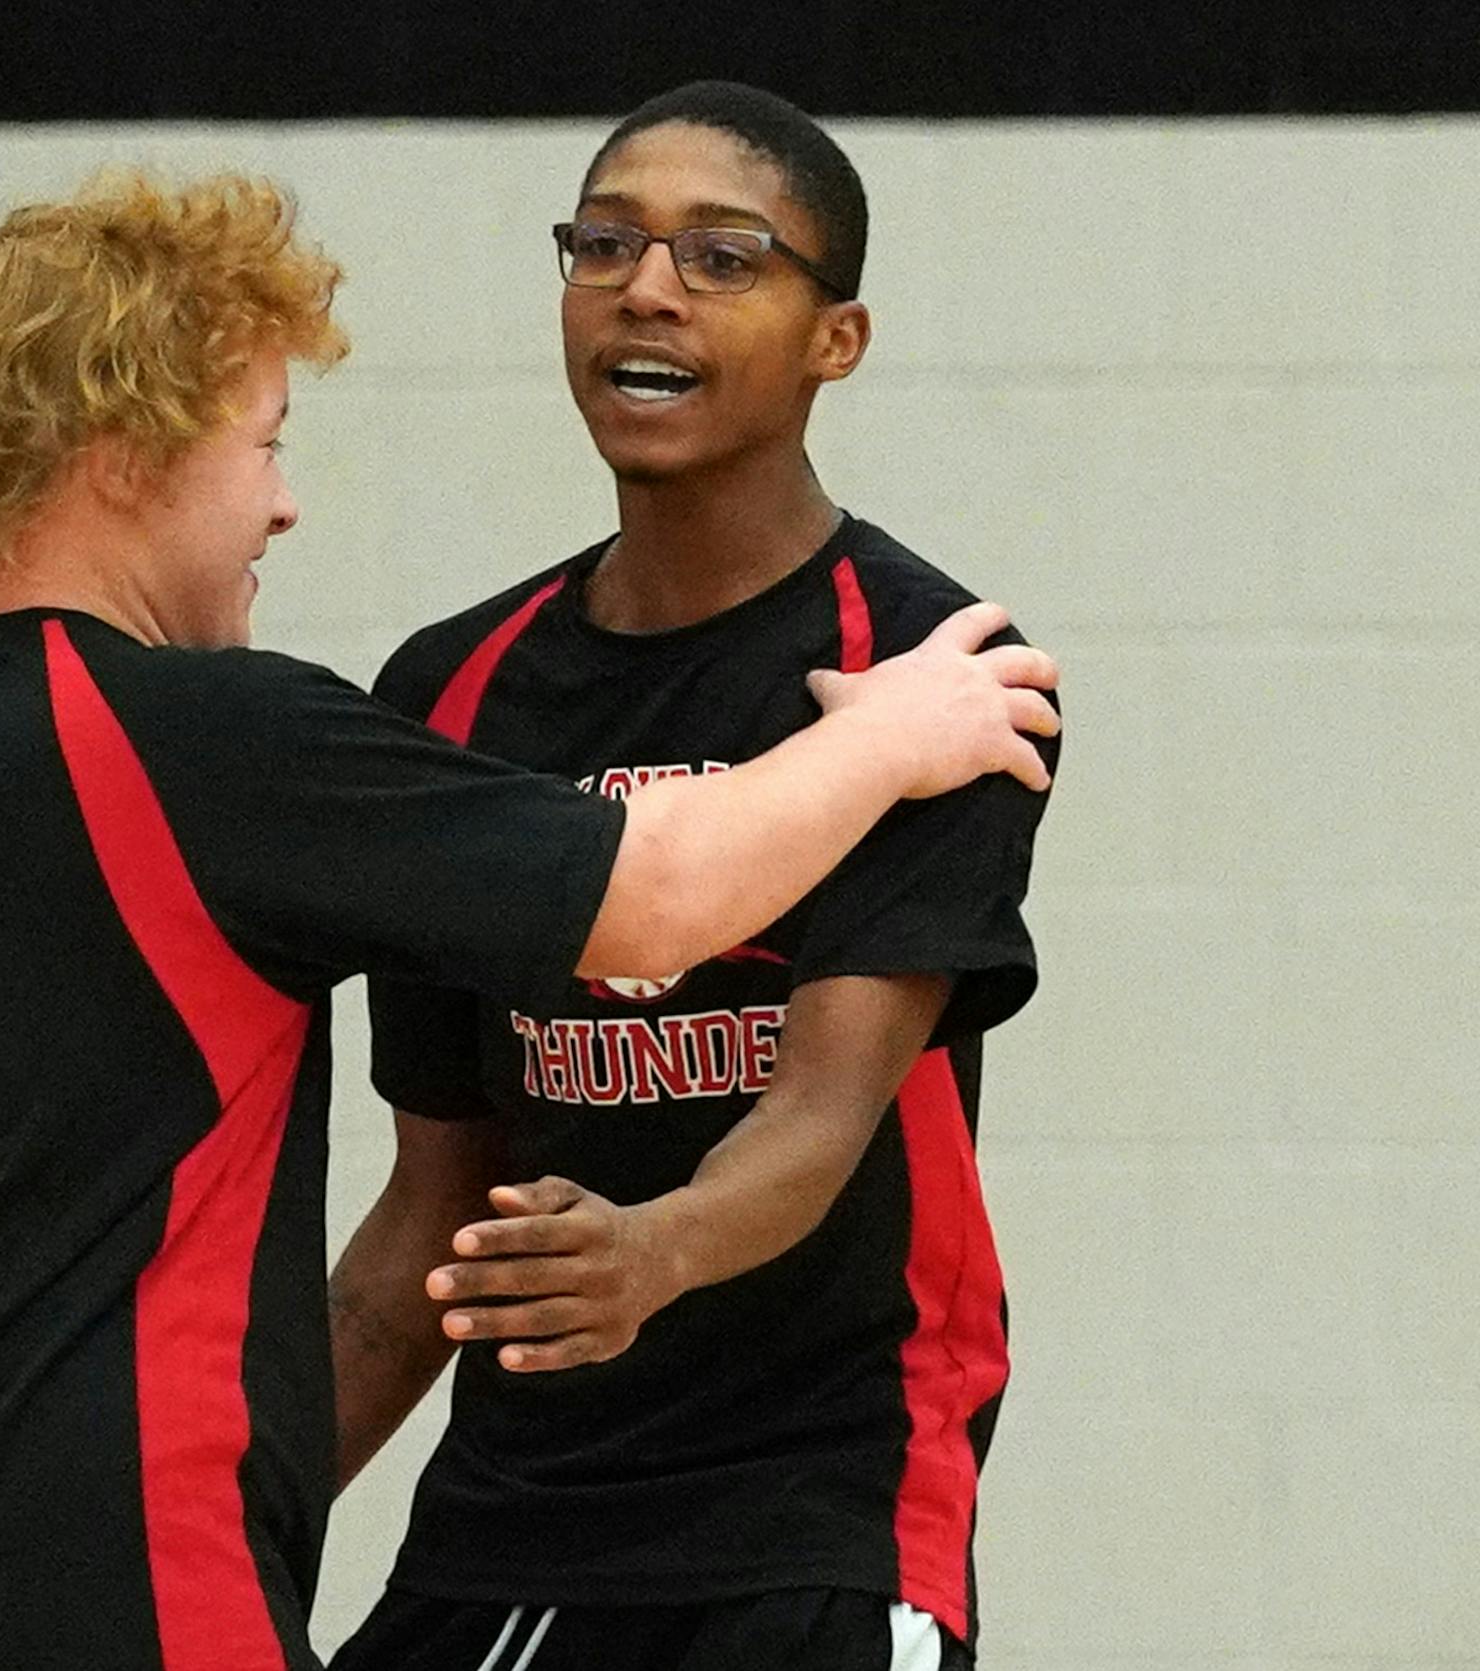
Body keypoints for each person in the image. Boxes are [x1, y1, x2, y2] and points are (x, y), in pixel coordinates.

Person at [0, 169, 1056, 1671]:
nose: (284, 499)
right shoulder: (199, 738)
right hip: (153, 1615)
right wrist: (896, 733)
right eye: (261, 443)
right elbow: (654, 890)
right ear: (130, 450)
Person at [327, 84, 1060, 1671]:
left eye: (723, 257)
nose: (646, 288)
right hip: (514, 1510)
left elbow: (816, 1121)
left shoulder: (932, 671)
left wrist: (648, 1252)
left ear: (835, 340)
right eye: (605, 244)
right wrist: (190, 1521)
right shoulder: (451, 693)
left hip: (815, 1508)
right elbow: (429, 1207)